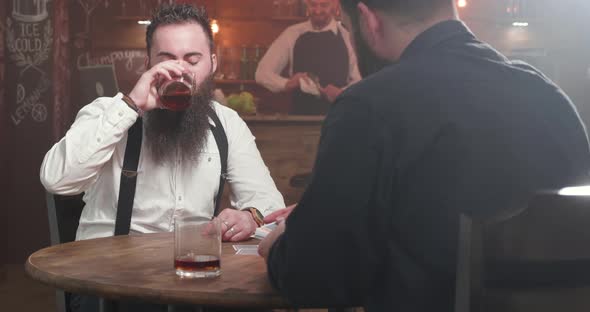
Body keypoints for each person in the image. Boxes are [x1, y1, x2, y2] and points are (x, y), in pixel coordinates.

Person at [258, 0, 590, 311]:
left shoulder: (368, 106)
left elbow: (317, 279)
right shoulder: (550, 96)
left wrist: (278, 246)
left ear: (368, 20)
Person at [40, 4, 284, 312]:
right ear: (147, 63)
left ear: (212, 63)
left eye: (192, 59)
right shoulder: (107, 111)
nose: (179, 70)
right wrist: (131, 106)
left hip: (195, 283)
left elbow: (270, 206)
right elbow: (55, 179)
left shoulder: (227, 123)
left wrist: (250, 216)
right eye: (166, 59)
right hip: (109, 284)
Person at [255, 0, 361, 115]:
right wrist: (286, 84)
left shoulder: (347, 37)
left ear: (335, 5)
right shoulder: (292, 34)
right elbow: (262, 73)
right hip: (300, 119)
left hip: (338, 117)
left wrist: (342, 93)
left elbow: (360, 81)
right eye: (313, 5)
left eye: (324, 5)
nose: (318, 10)